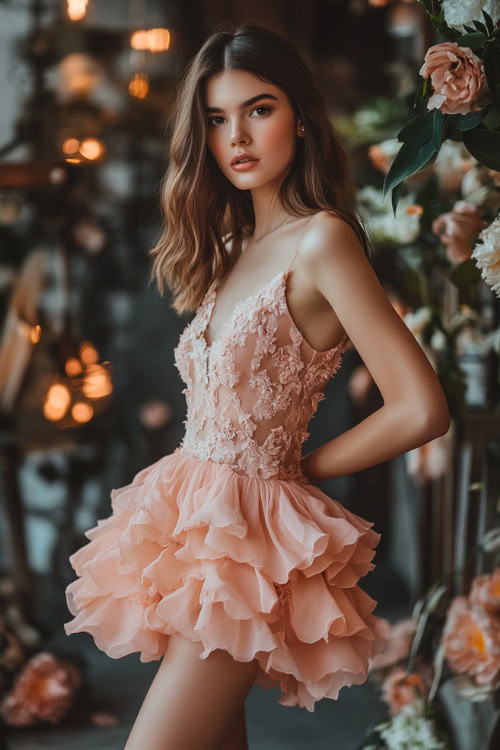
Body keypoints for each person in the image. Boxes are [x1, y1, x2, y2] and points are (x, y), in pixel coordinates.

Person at [63, 23, 450, 750]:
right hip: (190, 523)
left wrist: (302, 471)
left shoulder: (322, 241)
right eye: (216, 119)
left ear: (300, 117)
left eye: (259, 109)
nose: (236, 136)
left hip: (247, 543)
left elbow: (422, 407)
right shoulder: (233, 246)